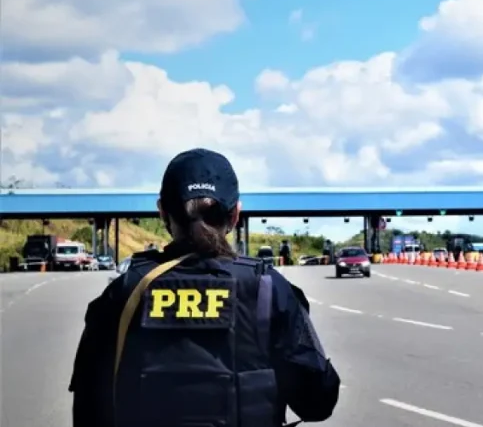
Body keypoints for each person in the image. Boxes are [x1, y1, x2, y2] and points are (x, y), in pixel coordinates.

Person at [69, 148, 341, 427]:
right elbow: (317, 403)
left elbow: (88, 410)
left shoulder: (125, 291)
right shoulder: (268, 289)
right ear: (235, 215)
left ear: (162, 212)